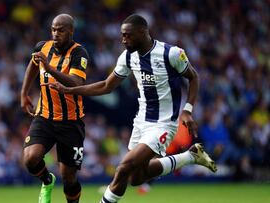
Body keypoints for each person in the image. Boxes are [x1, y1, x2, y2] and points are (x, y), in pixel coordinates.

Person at [44, 14, 217, 203]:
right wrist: (71, 90)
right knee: (136, 177)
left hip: (164, 124)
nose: (123, 40)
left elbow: (193, 77)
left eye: (128, 35)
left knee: (124, 167)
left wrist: (187, 110)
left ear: (143, 32)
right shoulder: (127, 57)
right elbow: (106, 86)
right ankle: (190, 156)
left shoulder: (171, 53)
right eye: (122, 35)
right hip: (141, 122)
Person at [21, 14, 89, 203]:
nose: (55, 33)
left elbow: (76, 83)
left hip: (71, 122)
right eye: (53, 29)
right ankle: (47, 180)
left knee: (68, 178)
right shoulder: (43, 47)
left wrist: (50, 69)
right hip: (44, 117)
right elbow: (33, 65)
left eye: (60, 30)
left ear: (71, 32)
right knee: (30, 158)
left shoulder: (79, 53)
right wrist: (24, 93)